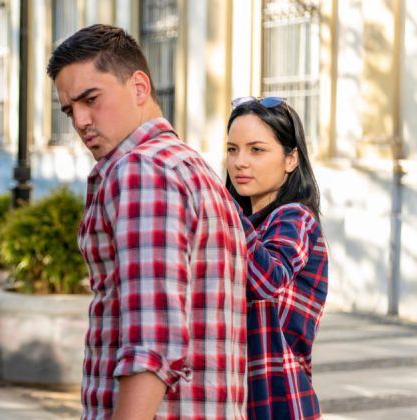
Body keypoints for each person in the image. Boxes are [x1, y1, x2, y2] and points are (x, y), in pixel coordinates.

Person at [47, 24, 248, 420]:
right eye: (70, 110)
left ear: (139, 87)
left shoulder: (142, 170)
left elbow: (151, 345)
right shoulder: (189, 164)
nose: (81, 121)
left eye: (91, 99)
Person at [225, 97, 328, 420]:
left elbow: (266, 280)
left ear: (290, 159)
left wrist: (220, 206)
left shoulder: (295, 218)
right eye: (232, 149)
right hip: (235, 395)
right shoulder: (240, 224)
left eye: (256, 150)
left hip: (279, 400)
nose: (240, 162)